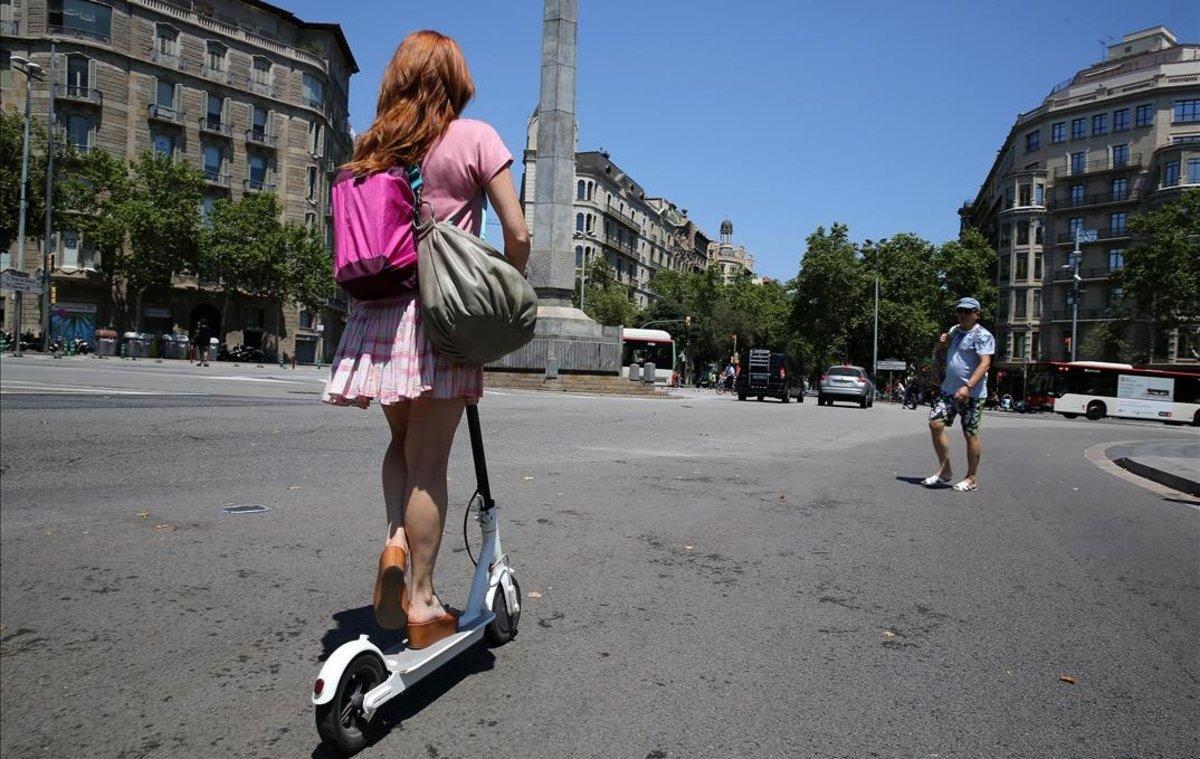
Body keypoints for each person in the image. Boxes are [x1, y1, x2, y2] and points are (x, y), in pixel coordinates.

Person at [320, 31, 530, 649]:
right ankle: (421, 597)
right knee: (430, 466)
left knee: (401, 446)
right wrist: (504, 278)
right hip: (441, 319)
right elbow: (516, 234)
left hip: (377, 317)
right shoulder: (475, 137)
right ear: (456, 81)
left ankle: (393, 544)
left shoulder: (373, 146)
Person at [924, 297, 994, 492]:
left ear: (976, 314)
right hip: (948, 389)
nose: (963, 315)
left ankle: (971, 478)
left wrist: (968, 387)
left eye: (967, 311)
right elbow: (941, 355)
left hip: (972, 393)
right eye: (960, 311)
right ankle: (945, 470)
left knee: (970, 434)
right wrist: (942, 343)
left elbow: (985, 363)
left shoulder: (983, 335)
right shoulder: (954, 331)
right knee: (935, 423)